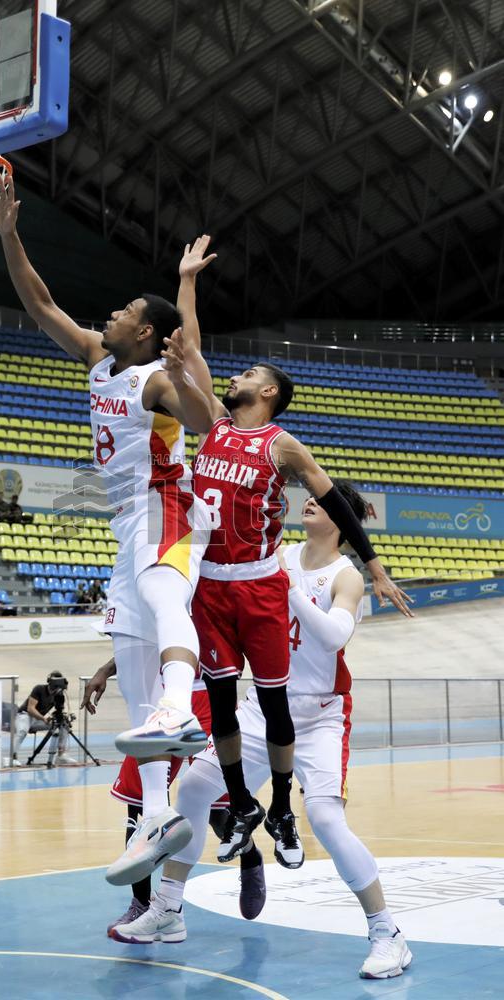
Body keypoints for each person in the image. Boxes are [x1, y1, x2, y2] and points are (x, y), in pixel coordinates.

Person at [0, 177, 215, 886]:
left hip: (166, 505)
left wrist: (186, 371)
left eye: (122, 312)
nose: (109, 315)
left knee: (162, 599)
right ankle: (156, 815)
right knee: (130, 658)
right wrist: (9, 236)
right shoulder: (96, 360)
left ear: (143, 332)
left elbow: (207, 424)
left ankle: (181, 705)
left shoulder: (154, 382)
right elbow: (40, 303)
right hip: (126, 523)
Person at [111, 481, 413, 982]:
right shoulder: (279, 554)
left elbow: (334, 636)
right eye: (310, 497)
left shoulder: (345, 576)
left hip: (319, 715)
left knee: (326, 819)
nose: (310, 500)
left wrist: (284, 587)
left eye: (323, 500)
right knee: (194, 789)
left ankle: (387, 932)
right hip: (262, 708)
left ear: (342, 519)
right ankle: (168, 909)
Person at [175, 236, 413, 865]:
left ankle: (282, 807)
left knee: (272, 702)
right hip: (210, 584)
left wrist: (374, 566)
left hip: (258, 583)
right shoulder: (214, 423)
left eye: (250, 376)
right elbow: (191, 348)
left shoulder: (282, 445)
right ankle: (241, 803)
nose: (237, 376)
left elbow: (339, 504)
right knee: (222, 705)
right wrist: (188, 280)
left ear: (269, 394)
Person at [81, 657, 229, 933]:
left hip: (208, 696)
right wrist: (105, 669)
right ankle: (141, 904)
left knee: (218, 814)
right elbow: (140, 640)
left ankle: (250, 856)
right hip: (161, 702)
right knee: (137, 808)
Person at [14, 671, 75, 766]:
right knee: (22, 731)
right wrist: (43, 718)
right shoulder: (39, 689)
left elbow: (59, 709)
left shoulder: (58, 694)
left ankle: (61, 755)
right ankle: (12, 757)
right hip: (25, 715)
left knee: (64, 725)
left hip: (38, 719)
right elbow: (30, 709)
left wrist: (57, 717)